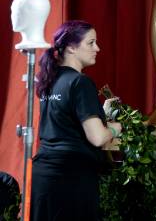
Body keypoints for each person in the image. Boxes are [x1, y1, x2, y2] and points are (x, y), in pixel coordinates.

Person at [31, 21, 122, 221]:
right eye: (91, 43)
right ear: (72, 47)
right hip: (72, 178)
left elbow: (65, 121)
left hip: (44, 178)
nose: (97, 48)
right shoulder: (81, 82)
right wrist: (115, 128)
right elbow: (97, 138)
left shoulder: (50, 80)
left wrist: (101, 112)